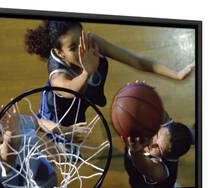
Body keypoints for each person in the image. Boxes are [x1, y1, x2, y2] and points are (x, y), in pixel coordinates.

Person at [24, 21, 194, 127]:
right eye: (73, 47)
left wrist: (176, 75)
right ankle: (67, 149)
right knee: (72, 138)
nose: (82, 49)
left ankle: (94, 95)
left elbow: (137, 61)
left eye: (82, 38)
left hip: (88, 94)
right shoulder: (57, 76)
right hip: (62, 112)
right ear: (60, 53)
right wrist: (87, 72)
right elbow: (71, 89)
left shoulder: (92, 42)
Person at [0, 102, 89, 188]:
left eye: (2, 118)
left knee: (50, 179)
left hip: (34, 173)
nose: (2, 126)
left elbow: (38, 122)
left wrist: (64, 131)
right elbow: (9, 153)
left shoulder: (10, 123)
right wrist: (11, 132)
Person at [123, 115, 193, 188]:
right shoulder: (166, 128)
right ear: (162, 126)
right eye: (156, 135)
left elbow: (145, 166)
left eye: (159, 149)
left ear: (167, 157)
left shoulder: (162, 172)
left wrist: (135, 150)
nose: (152, 144)